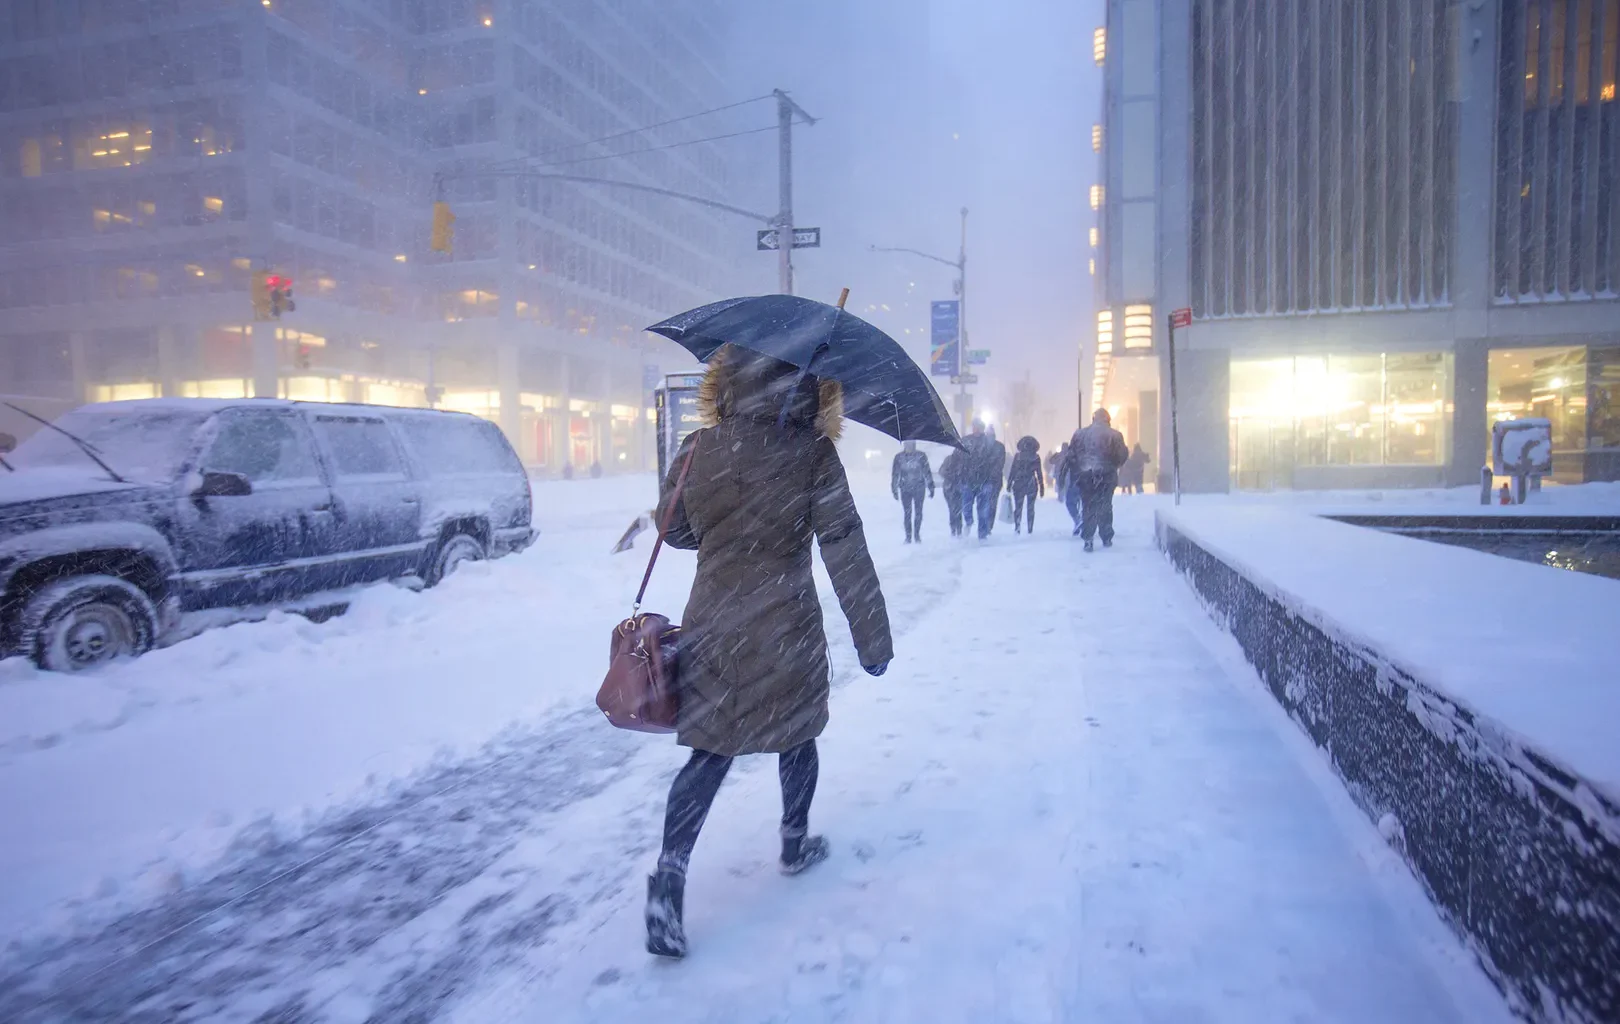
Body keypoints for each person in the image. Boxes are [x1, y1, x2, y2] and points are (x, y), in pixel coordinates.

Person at [646, 345, 893, 959]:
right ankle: (793, 840)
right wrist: (872, 639)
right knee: (798, 733)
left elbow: (673, 531)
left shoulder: (701, 447)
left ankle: (669, 879)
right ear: (809, 389)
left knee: (708, 753)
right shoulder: (812, 453)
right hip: (785, 624)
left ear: (729, 382)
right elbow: (843, 544)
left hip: (713, 625)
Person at [1069, 408, 1130, 551]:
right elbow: (1121, 456)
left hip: (1085, 475)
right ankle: (1106, 536)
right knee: (1105, 505)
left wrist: (1080, 467)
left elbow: (1071, 455)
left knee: (1088, 506)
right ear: (1107, 420)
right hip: (1106, 475)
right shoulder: (1115, 435)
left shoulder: (1079, 434)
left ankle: (1088, 537)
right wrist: (1113, 465)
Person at [959, 420, 1002, 541]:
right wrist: (961, 473)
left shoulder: (988, 442)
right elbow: (960, 458)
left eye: (978, 427)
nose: (976, 429)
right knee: (966, 506)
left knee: (983, 509)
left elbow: (994, 459)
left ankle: (982, 534)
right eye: (974, 427)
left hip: (984, 479)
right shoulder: (966, 440)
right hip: (968, 479)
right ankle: (968, 521)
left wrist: (992, 475)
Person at [890, 441, 935, 543]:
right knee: (907, 512)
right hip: (905, 488)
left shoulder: (921, 456)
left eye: (911, 445)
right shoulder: (899, 457)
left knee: (918, 512)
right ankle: (908, 536)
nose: (909, 446)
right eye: (907, 444)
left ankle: (916, 534)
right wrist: (894, 489)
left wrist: (931, 486)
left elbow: (927, 471)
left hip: (919, 487)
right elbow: (895, 474)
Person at [1007, 435, 1045, 534]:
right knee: (1030, 507)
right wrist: (1041, 487)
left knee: (1018, 506)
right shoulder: (1036, 457)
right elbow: (1039, 472)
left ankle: (1017, 525)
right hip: (1031, 484)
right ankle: (1030, 527)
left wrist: (1009, 483)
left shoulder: (1018, 456)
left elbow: (1013, 470)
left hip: (1019, 483)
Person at [939, 449, 966, 536]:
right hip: (950, 488)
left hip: (958, 488)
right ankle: (954, 529)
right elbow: (942, 471)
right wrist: (952, 475)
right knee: (953, 509)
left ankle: (958, 529)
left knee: (957, 509)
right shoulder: (949, 460)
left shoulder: (964, 461)